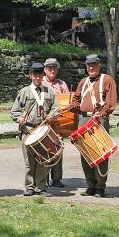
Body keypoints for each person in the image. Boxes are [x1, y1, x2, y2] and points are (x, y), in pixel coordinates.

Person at [69, 54, 117, 198]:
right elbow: (77, 99)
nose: (91, 68)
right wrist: (73, 105)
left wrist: (101, 114)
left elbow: (111, 103)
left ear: (99, 65)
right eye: (89, 65)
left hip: (99, 120)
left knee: (101, 153)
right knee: (86, 153)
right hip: (84, 119)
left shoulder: (107, 80)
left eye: (94, 65)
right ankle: (90, 185)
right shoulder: (83, 82)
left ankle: (100, 187)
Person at [11, 62, 59, 197]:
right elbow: (14, 111)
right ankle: (29, 187)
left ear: (43, 76)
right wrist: (19, 118)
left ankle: (41, 188)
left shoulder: (49, 91)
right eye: (35, 75)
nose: (37, 78)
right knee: (29, 162)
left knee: (43, 161)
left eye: (40, 76)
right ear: (30, 76)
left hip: (43, 130)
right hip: (28, 130)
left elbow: (56, 108)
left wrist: (52, 116)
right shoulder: (24, 92)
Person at [42, 58, 69, 188]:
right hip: (44, 121)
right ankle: (43, 177)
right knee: (44, 149)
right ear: (45, 69)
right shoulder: (40, 82)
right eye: (49, 68)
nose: (52, 70)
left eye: (54, 68)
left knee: (58, 149)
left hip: (59, 122)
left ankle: (57, 178)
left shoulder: (62, 84)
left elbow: (67, 103)